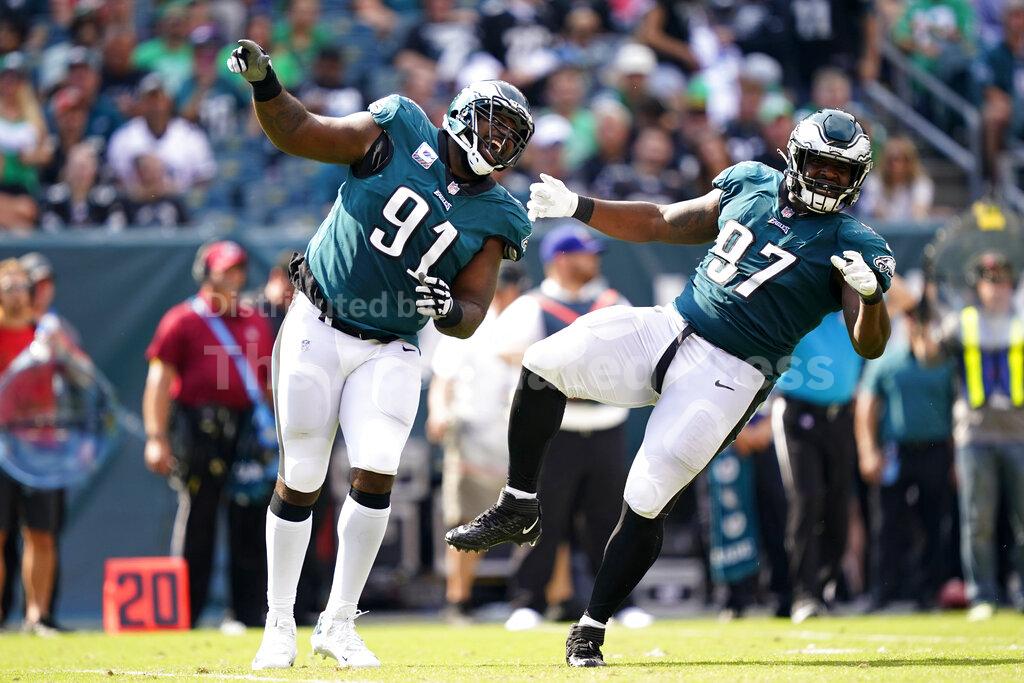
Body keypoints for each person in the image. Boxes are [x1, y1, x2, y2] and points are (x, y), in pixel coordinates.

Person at [446, 109, 894, 667]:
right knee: (544, 362)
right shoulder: (752, 182)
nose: (827, 178)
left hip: (732, 371)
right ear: (796, 158)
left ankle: (590, 627)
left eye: (839, 171)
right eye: (820, 165)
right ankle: (518, 503)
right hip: (671, 323)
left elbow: (869, 344)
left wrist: (871, 298)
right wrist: (579, 206)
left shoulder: (853, 241)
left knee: (646, 493)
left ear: (856, 178)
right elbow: (660, 220)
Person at [225, 39, 534, 669]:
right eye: (494, 126)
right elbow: (302, 131)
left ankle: (338, 623)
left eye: (512, 137)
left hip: (391, 344)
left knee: (376, 471)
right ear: (462, 113)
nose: (499, 143)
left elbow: (473, 311)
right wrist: (265, 83)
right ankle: (279, 623)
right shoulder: (400, 125)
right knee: (302, 475)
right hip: (318, 320)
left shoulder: (499, 212)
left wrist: (448, 309)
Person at [490, 226, 645, 632]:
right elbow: (508, 354)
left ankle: (619, 605)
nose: (593, 260)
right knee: (542, 518)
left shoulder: (612, 303)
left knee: (609, 520)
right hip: (554, 432)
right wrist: (571, 367)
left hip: (607, 426)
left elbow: (637, 354)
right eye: (584, 253)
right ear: (561, 259)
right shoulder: (531, 306)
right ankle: (528, 603)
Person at [143, 241, 276, 629]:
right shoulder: (182, 320)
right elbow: (159, 379)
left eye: (239, 270)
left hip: (247, 430)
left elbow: (267, 382)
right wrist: (156, 436)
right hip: (198, 428)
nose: (235, 277)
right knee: (198, 519)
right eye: (226, 269)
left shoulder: (254, 319)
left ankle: (247, 614)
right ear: (206, 273)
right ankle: (186, 615)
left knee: (249, 519)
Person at [427, 262, 527, 624]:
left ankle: (535, 599)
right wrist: (438, 411)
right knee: (468, 520)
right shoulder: (468, 324)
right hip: (472, 434)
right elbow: (443, 378)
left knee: (533, 518)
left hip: (517, 437)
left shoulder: (526, 323)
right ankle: (459, 601)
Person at [927, 252, 1024, 620]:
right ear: (978, 286)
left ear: (1011, 285)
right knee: (977, 520)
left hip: (1019, 433)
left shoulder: (1021, 319)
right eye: (989, 281)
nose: (996, 288)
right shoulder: (961, 322)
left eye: (1002, 281)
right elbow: (929, 355)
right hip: (974, 434)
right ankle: (982, 594)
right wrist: (924, 309)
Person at [856, 309, 957, 611]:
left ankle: (928, 592)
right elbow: (867, 406)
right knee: (887, 523)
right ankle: (882, 592)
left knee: (933, 521)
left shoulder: (945, 362)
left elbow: (955, 410)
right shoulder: (886, 360)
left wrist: (957, 460)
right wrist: (868, 450)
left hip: (935, 449)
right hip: (895, 451)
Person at [770, 311, 864, 623]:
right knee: (807, 500)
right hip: (798, 413)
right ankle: (804, 594)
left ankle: (825, 588)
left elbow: (903, 298)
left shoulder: (854, 300)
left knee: (838, 506)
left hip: (841, 415)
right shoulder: (804, 297)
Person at [0, 259, 60, 634]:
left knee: (41, 533)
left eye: (21, 286)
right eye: (8, 286)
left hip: (41, 447)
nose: (16, 293)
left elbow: (77, 376)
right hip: (2, 448)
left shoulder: (46, 334)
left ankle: (37, 616)